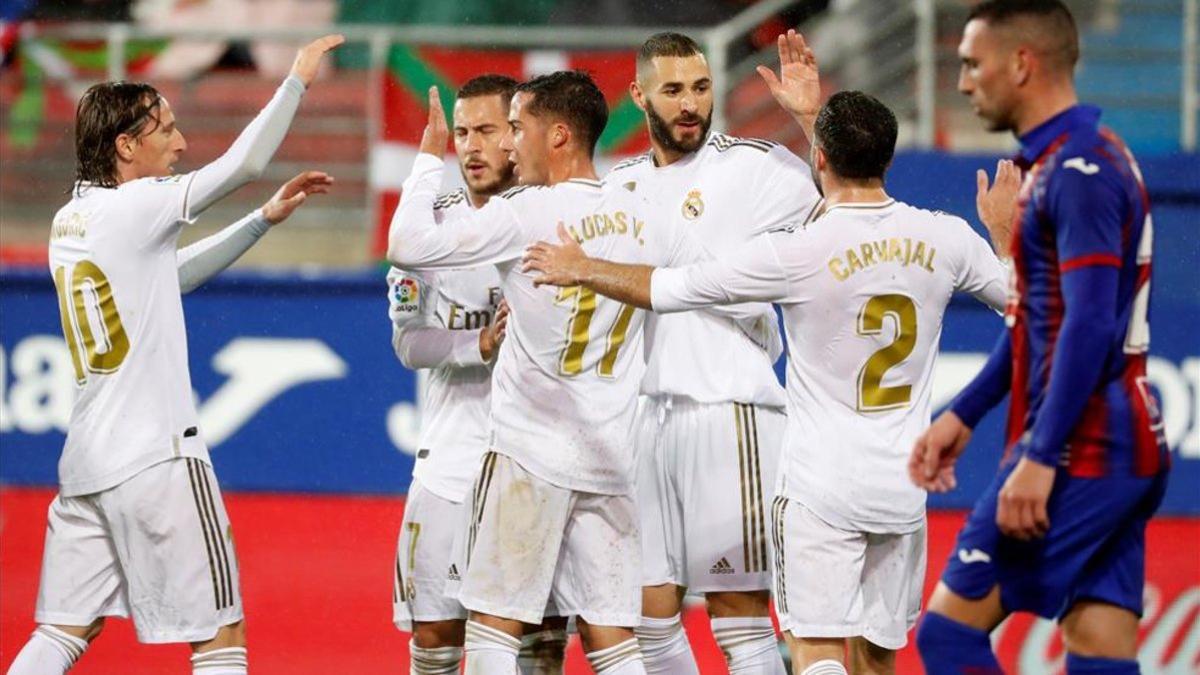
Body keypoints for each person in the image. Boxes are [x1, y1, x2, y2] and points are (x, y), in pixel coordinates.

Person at [522, 88, 1009, 675]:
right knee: (878, 658)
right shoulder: (946, 238)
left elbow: (670, 288)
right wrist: (1004, 238)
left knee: (815, 652)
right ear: (887, 156)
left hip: (819, 486)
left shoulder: (796, 252)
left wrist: (583, 267)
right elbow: (1029, 308)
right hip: (904, 487)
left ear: (819, 158)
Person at [387, 71, 770, 675]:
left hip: (527, 454)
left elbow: (407, 243)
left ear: (557, 135)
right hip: (610, 459)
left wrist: (429, 158)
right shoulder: (646, 215)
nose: (510, 144)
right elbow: (709, 284)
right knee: (614, 639)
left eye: (517, 128)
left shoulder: (528, 211)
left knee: (492, 624)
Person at [6, 34, 344, 675]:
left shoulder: (70, 220)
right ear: (124, 147)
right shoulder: (138, 203)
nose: (181, 143)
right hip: (156, 456)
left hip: (88, 464)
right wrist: (296, 79)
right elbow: (243, 165)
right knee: (222, 634)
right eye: (165, 129)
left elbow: (173, 277)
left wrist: (261, 221)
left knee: (62, 632)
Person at [907, 2, 1170, 674]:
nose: (964, 81)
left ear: (1022, 63)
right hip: (1119, 438)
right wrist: (966, 413)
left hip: (1085, 443)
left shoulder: (1081, 170)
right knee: (1097, 644)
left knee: (947, 633)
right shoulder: (1066, 162)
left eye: (972, 63)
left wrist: (1042, 453)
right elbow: (1040, 319)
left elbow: (1088, 324)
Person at [605, 31, 819, 674]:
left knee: (740, 617)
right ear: (639, 94)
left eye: (701, 88)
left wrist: (810, 119)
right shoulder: (617, 187)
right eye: (672, 90)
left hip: (730, 410)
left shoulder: (753, 168)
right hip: (645, 419)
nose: (690, 103)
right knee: (645, 618)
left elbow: (847, 195)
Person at [387, 73, 567, 675]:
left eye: (487, 130)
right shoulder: (431, 229)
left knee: (539, 642)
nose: (470, 146)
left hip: (538, 459)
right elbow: (409, 345)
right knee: (436, 637)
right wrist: (479, 341)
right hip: (452, 461)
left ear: (517, 135)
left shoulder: (556, 218)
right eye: (461, 133)